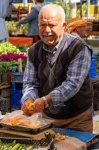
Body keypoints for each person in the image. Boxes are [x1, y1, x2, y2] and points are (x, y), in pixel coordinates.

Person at [21, 4, 94, 132]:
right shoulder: (34, 50)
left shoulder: (78, 48)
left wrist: (45, 100)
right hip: (47, 118)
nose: (46, 30)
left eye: (52, 25)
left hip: (77, 118)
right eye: (42, 25)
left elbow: (72, 84)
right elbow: (30, 82)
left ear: (63, 26)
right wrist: (28, 98)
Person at [66, 18, 99, 111]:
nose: (85, 29)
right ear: (77, 29)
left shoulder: (68, 38)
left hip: (71, 76)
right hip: (78, 78)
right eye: (83, 27)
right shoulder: (78, 42)